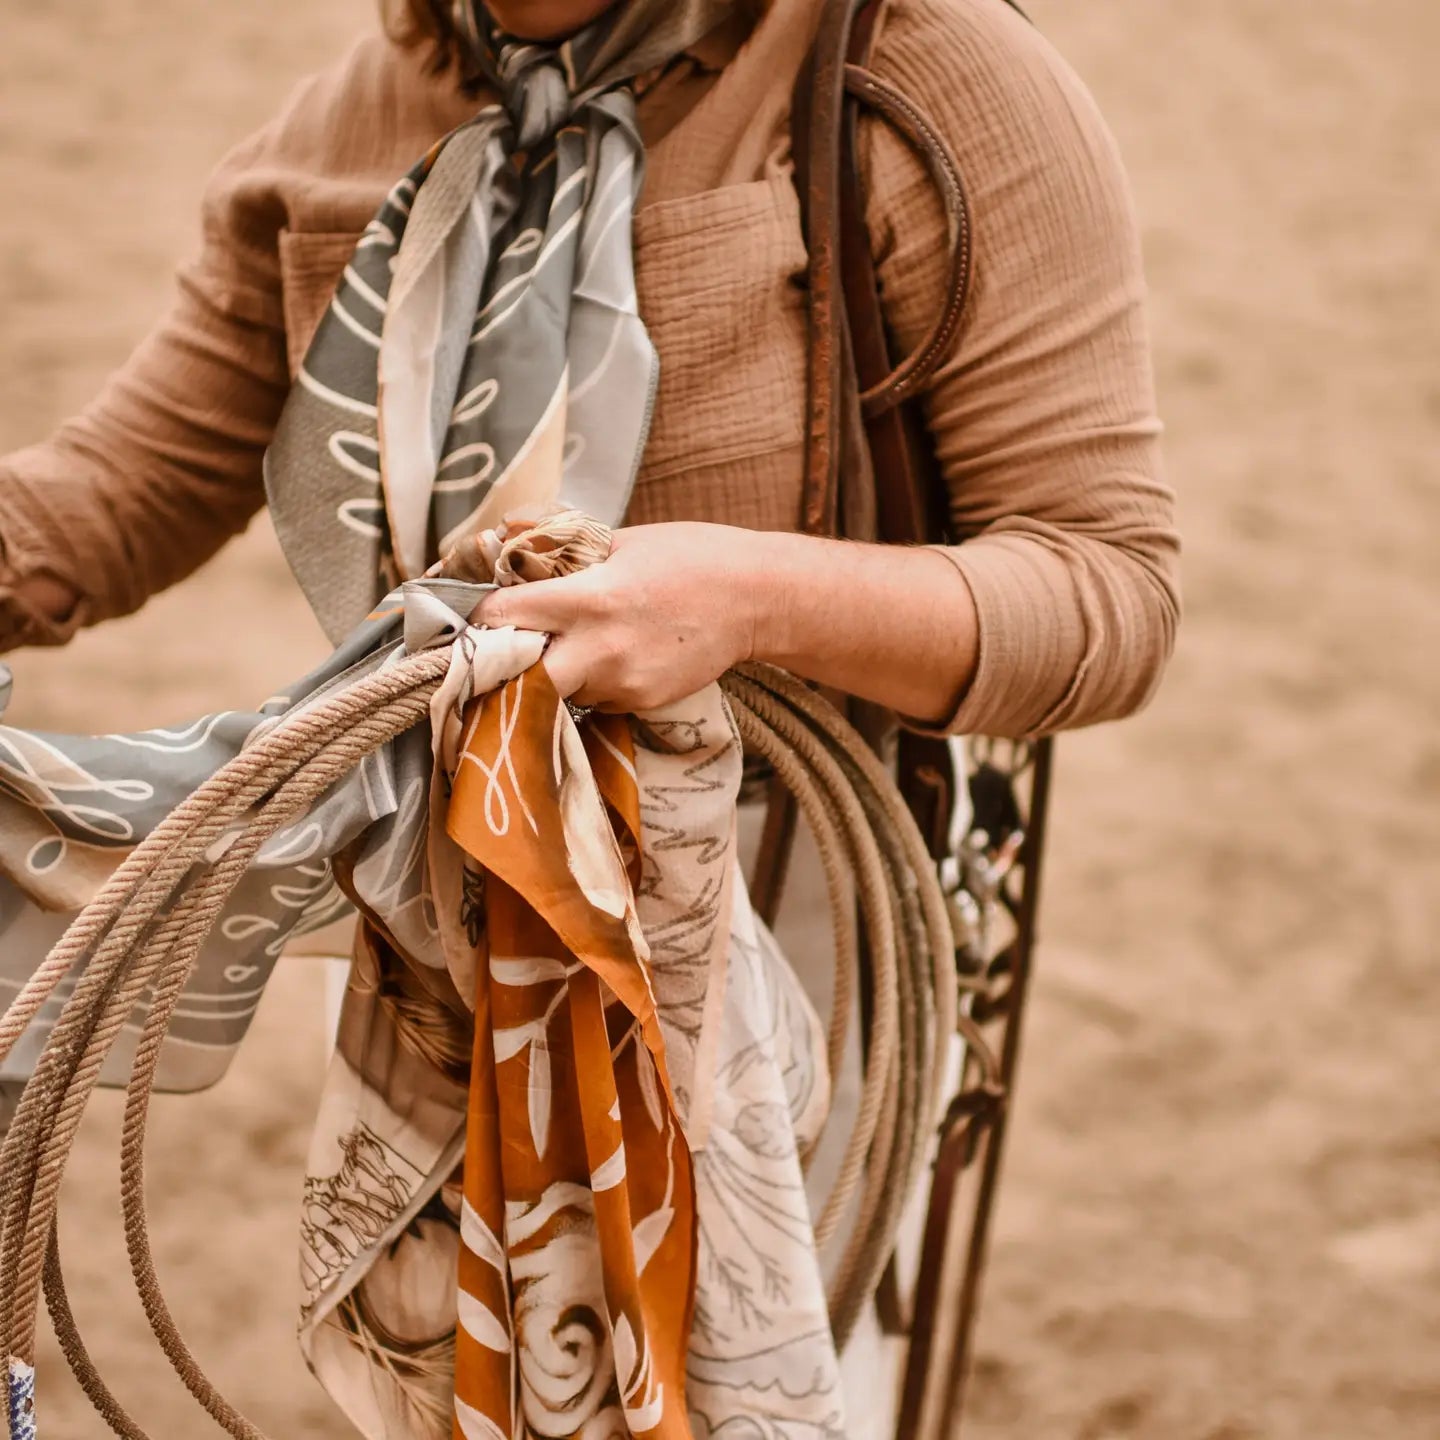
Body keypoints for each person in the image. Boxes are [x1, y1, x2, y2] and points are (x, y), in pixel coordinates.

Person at [0, 0, 1179, 1435]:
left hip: (779, 923)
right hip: (440, 903)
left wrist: (743, 598)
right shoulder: (347, 122)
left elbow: (1107, 592)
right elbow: (114, 497)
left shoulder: (925, 79)